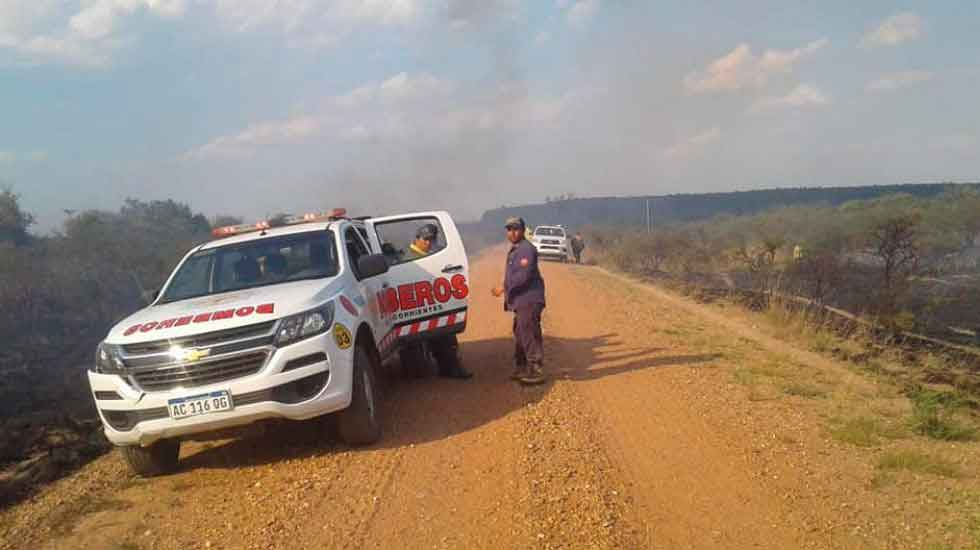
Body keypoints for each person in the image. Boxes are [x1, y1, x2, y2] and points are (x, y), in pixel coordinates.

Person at [492, 217, 547, 385]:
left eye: (516, 229)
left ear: (522, 231)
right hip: (521, 299)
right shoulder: (516, 249)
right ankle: (522, 366)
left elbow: (524, 276)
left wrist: (504, 288)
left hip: (529, 298)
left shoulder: (526, 249)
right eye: (509, 229)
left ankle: (536, 369)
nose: (512, 232)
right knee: (520, 331)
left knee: (528, 330)